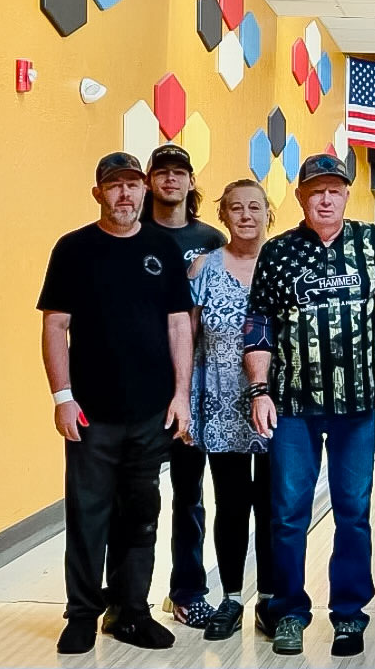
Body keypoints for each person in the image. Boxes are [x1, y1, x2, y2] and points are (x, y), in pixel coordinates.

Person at [38, 152, 192, 654]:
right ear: (98, 193)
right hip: (91, 415)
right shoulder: (74, 249)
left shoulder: (162, 250)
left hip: (150, 413)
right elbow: (55, 325)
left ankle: (131, 611)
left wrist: (181, 395)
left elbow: (177, 325)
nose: (125, 194)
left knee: (141, 514)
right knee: (88, 516)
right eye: (114, 185)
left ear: (145, 191)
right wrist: (63, 398)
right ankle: (82, 613)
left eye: (132, 185)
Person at [246, 153, 375, 659]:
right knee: (287, 513)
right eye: (316, 191)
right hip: (294, 408)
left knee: (353, 513)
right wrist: (260, 391)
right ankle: (288, 611)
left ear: (347, 194)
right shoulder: (278, 252)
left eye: (335, 190)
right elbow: (258, 325)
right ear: (301, 197)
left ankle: (349, 613)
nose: (326, 198)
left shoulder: (374, 245)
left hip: (357, 407)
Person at [187, 179, 276, 640]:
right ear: (223, 217)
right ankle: (232, 597)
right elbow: (187, 337)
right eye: (236, 208)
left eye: (254, 207)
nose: (245, 215)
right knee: (231, 504)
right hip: (222, 403)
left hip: (278, 405)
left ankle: (272, 599)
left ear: (268, 213)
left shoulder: (283, 262)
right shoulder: (204, 267)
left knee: (274, 506)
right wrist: (182, 397)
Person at [143, 143, 226, 629]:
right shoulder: (134, 233)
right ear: (151, 181)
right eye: (163, 173)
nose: (171, 181)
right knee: (133, 498)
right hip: (144, 384)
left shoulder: (212, 239)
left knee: (189, 496)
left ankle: (188, 590)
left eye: (179, 173)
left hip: (195, 388)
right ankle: (125, 597)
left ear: (192, 182)